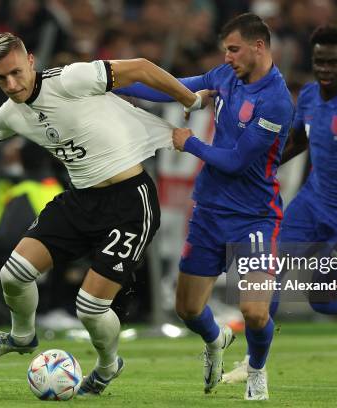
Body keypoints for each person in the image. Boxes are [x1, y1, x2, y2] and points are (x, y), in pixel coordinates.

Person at [0, 32, 203, 396]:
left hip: (129, 202)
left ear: (31, 62)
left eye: (15, 73)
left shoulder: (71, 79)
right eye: (0, 78)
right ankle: (22, 336)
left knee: (89, 309)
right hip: (80, 199)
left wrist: (188, 98)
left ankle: (106, 366)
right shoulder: (10, 113)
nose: (11, 84)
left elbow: (139, 69)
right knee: (13, 275)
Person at [116, 13, 294, 400]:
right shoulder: (226, 77)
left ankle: (257, 370)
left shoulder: (276, 102)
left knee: (254, 312)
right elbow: (177, 89)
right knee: (188, 310)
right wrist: (118, 88)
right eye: (225, 50)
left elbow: (235, 161)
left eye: (234, 49)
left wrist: (189, 142)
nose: (227, 57)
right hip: (210, 212)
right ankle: (216, 341)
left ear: (258, 46)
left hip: (254, 218)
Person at [222, 26, 337, 384]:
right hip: (309, 204)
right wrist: (267, 166)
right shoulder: (307, 97)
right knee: (270, 272)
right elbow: (301, 139)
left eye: (333, 62)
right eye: (319, 61)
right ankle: (252, 362)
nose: (325, 68)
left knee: (322, 298)